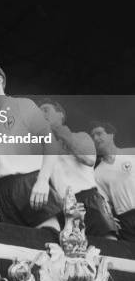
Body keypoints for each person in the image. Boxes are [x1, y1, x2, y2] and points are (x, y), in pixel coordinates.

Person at [0, 63, 61, 230]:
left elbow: (51, 145)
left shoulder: (24, 105)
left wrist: (42, 181)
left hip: (30, 181)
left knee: (50, 241)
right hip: (4, 193)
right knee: (18, 248)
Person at [39, 99, 116, 238]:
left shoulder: (81, 136)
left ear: (60, 114)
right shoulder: (43, 148)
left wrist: (59, 131)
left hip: (89, 199)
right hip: (64, 205)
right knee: (73, 253)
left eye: (46, 110)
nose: (41, 114)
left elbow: (89, 159)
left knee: (109, 245)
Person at [90, 121, 135, 242]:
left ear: (111, 135)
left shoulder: (131, 153)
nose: (96, 138)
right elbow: (105, 203)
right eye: (93, 136)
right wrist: (109, 218)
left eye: (99, 133)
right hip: (126, 220)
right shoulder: (97, 173)